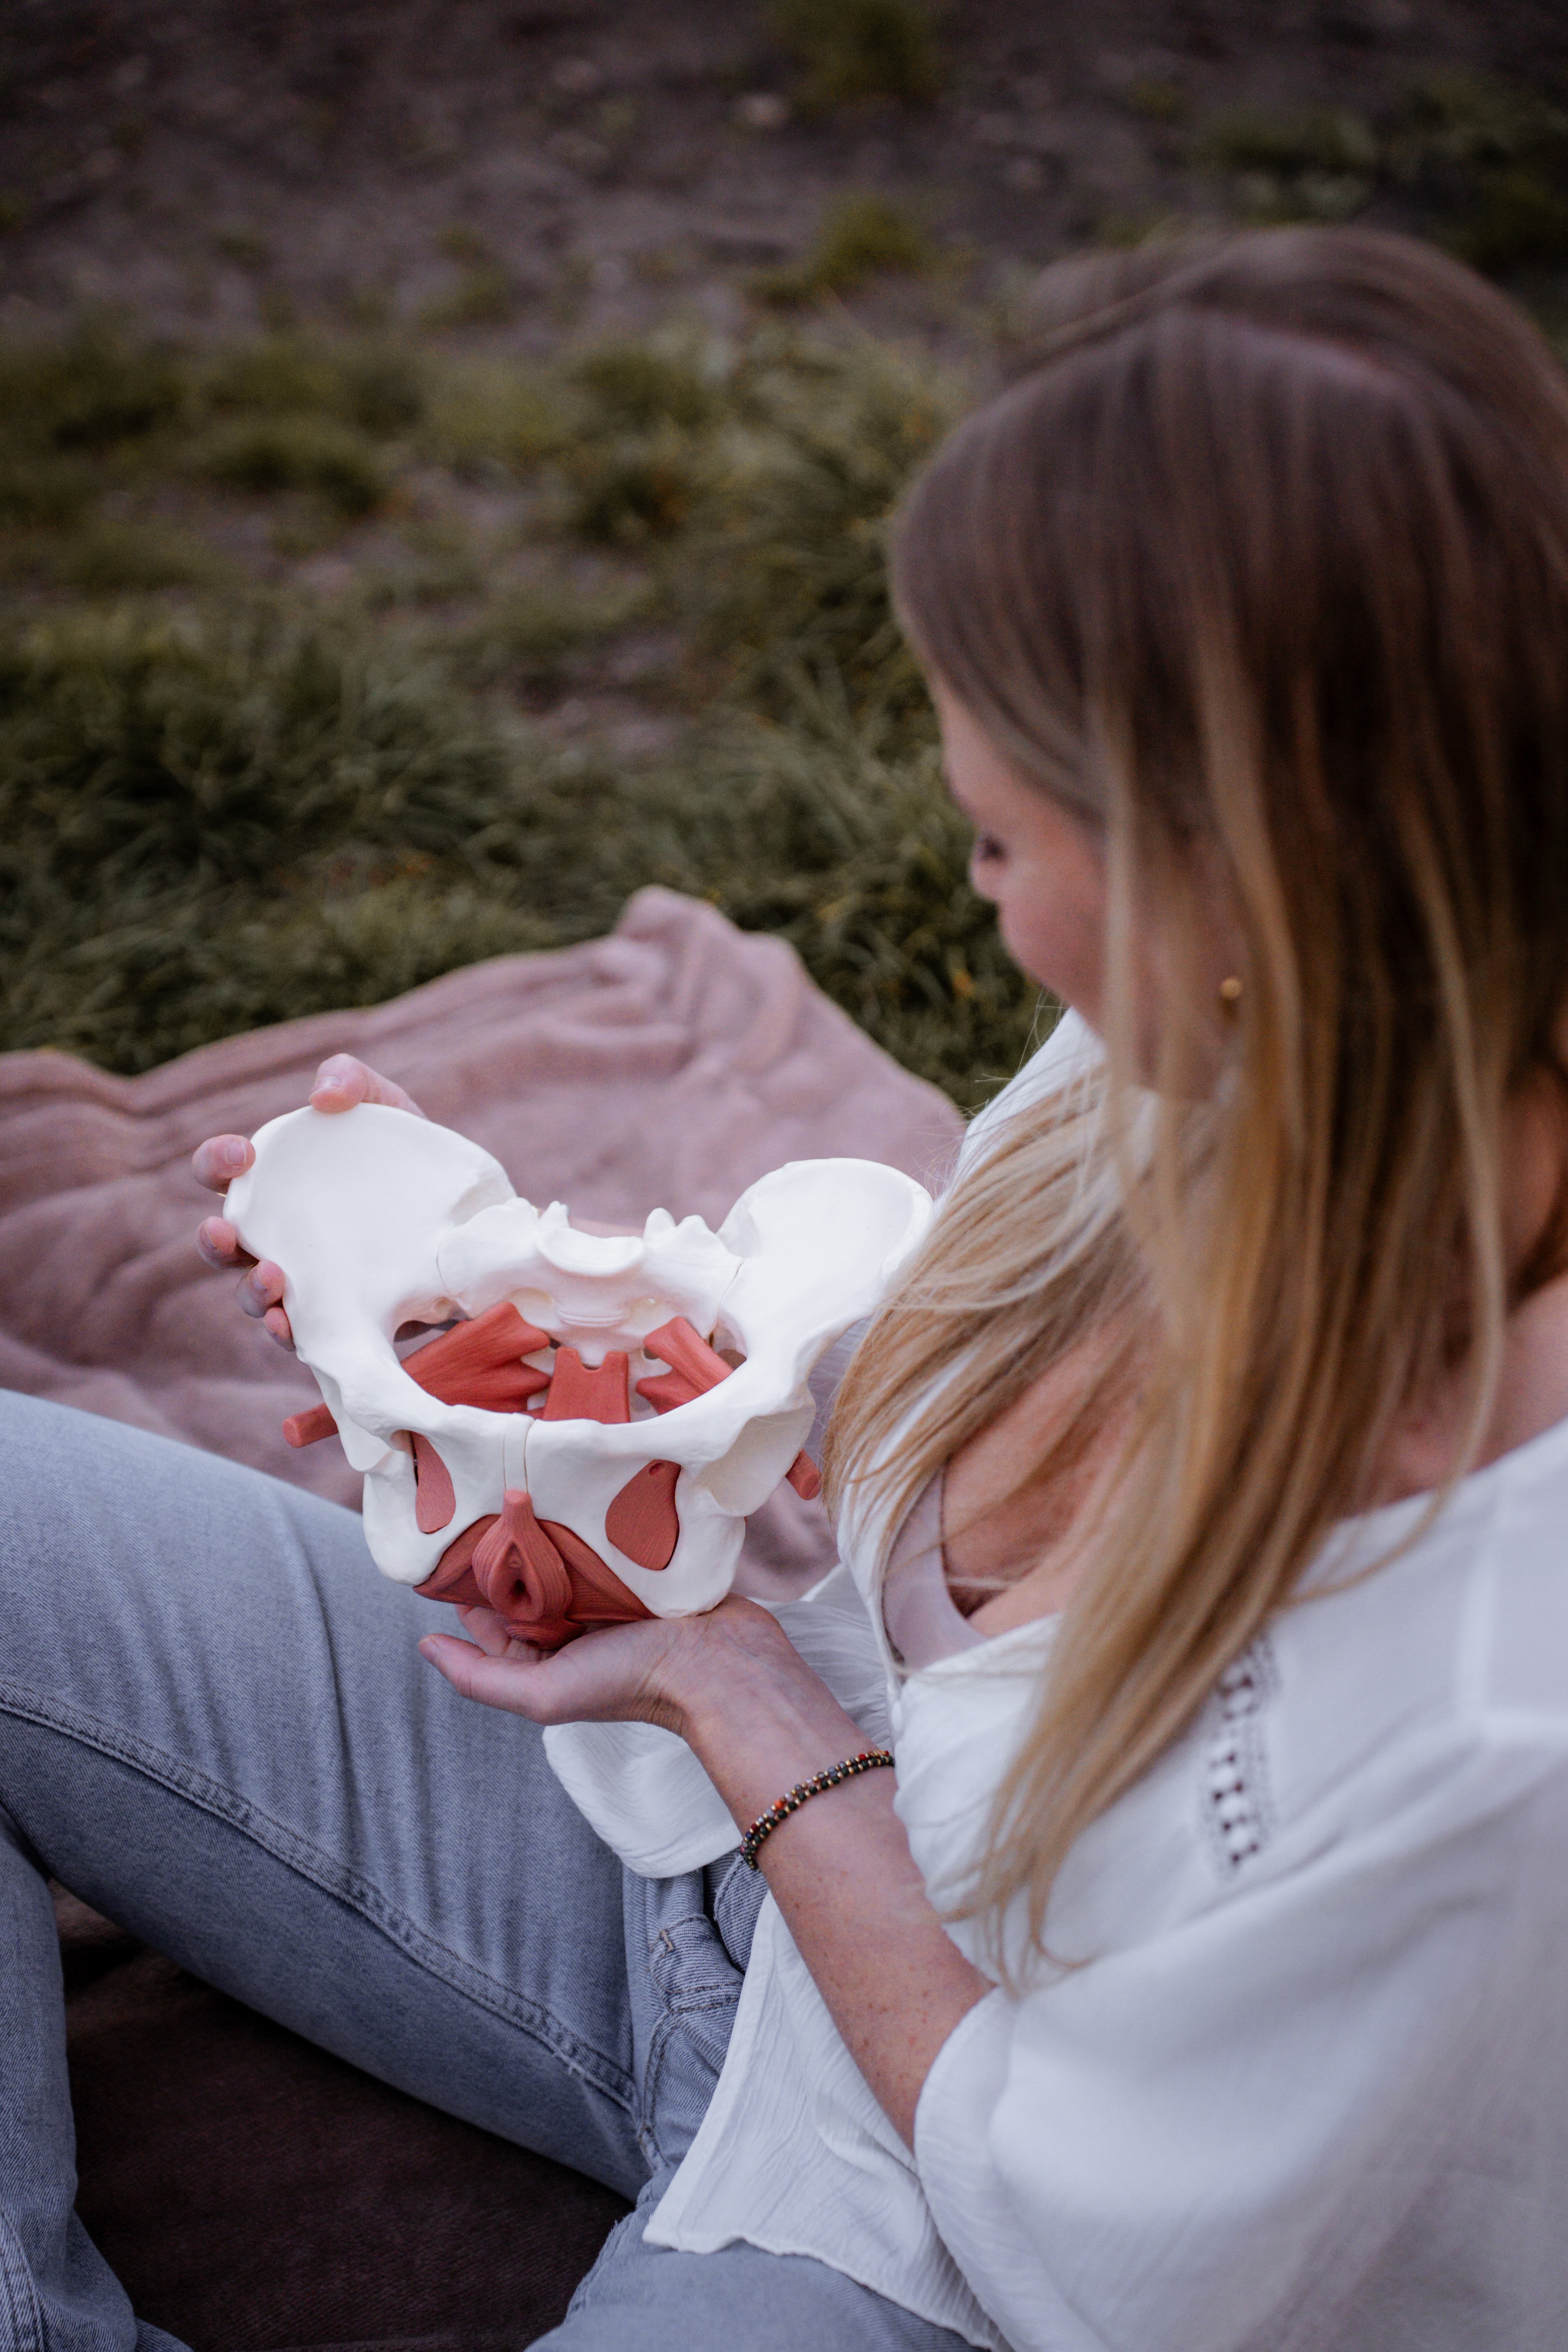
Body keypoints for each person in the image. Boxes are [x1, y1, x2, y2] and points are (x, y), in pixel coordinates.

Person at [6, 222, 1568, 2352]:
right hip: (707, 1849)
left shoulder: (1500, 1691)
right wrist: (504, 1332)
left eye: (1003, 849)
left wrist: (746, 1708)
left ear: (1234, 870)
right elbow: (944, 1425)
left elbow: (1097, 2260)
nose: (982, 898)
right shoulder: (1241, 1030)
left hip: (964, 2222)